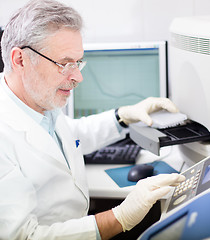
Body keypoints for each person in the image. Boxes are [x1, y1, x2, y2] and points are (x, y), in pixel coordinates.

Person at [0, 0, 185, 239]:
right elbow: (24, 236)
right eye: (64, 64)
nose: (77, 76)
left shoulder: (37, 101)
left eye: (78, 63)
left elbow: (71, 136)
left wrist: (122, 116)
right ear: (20, 60)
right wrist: (120, 217)